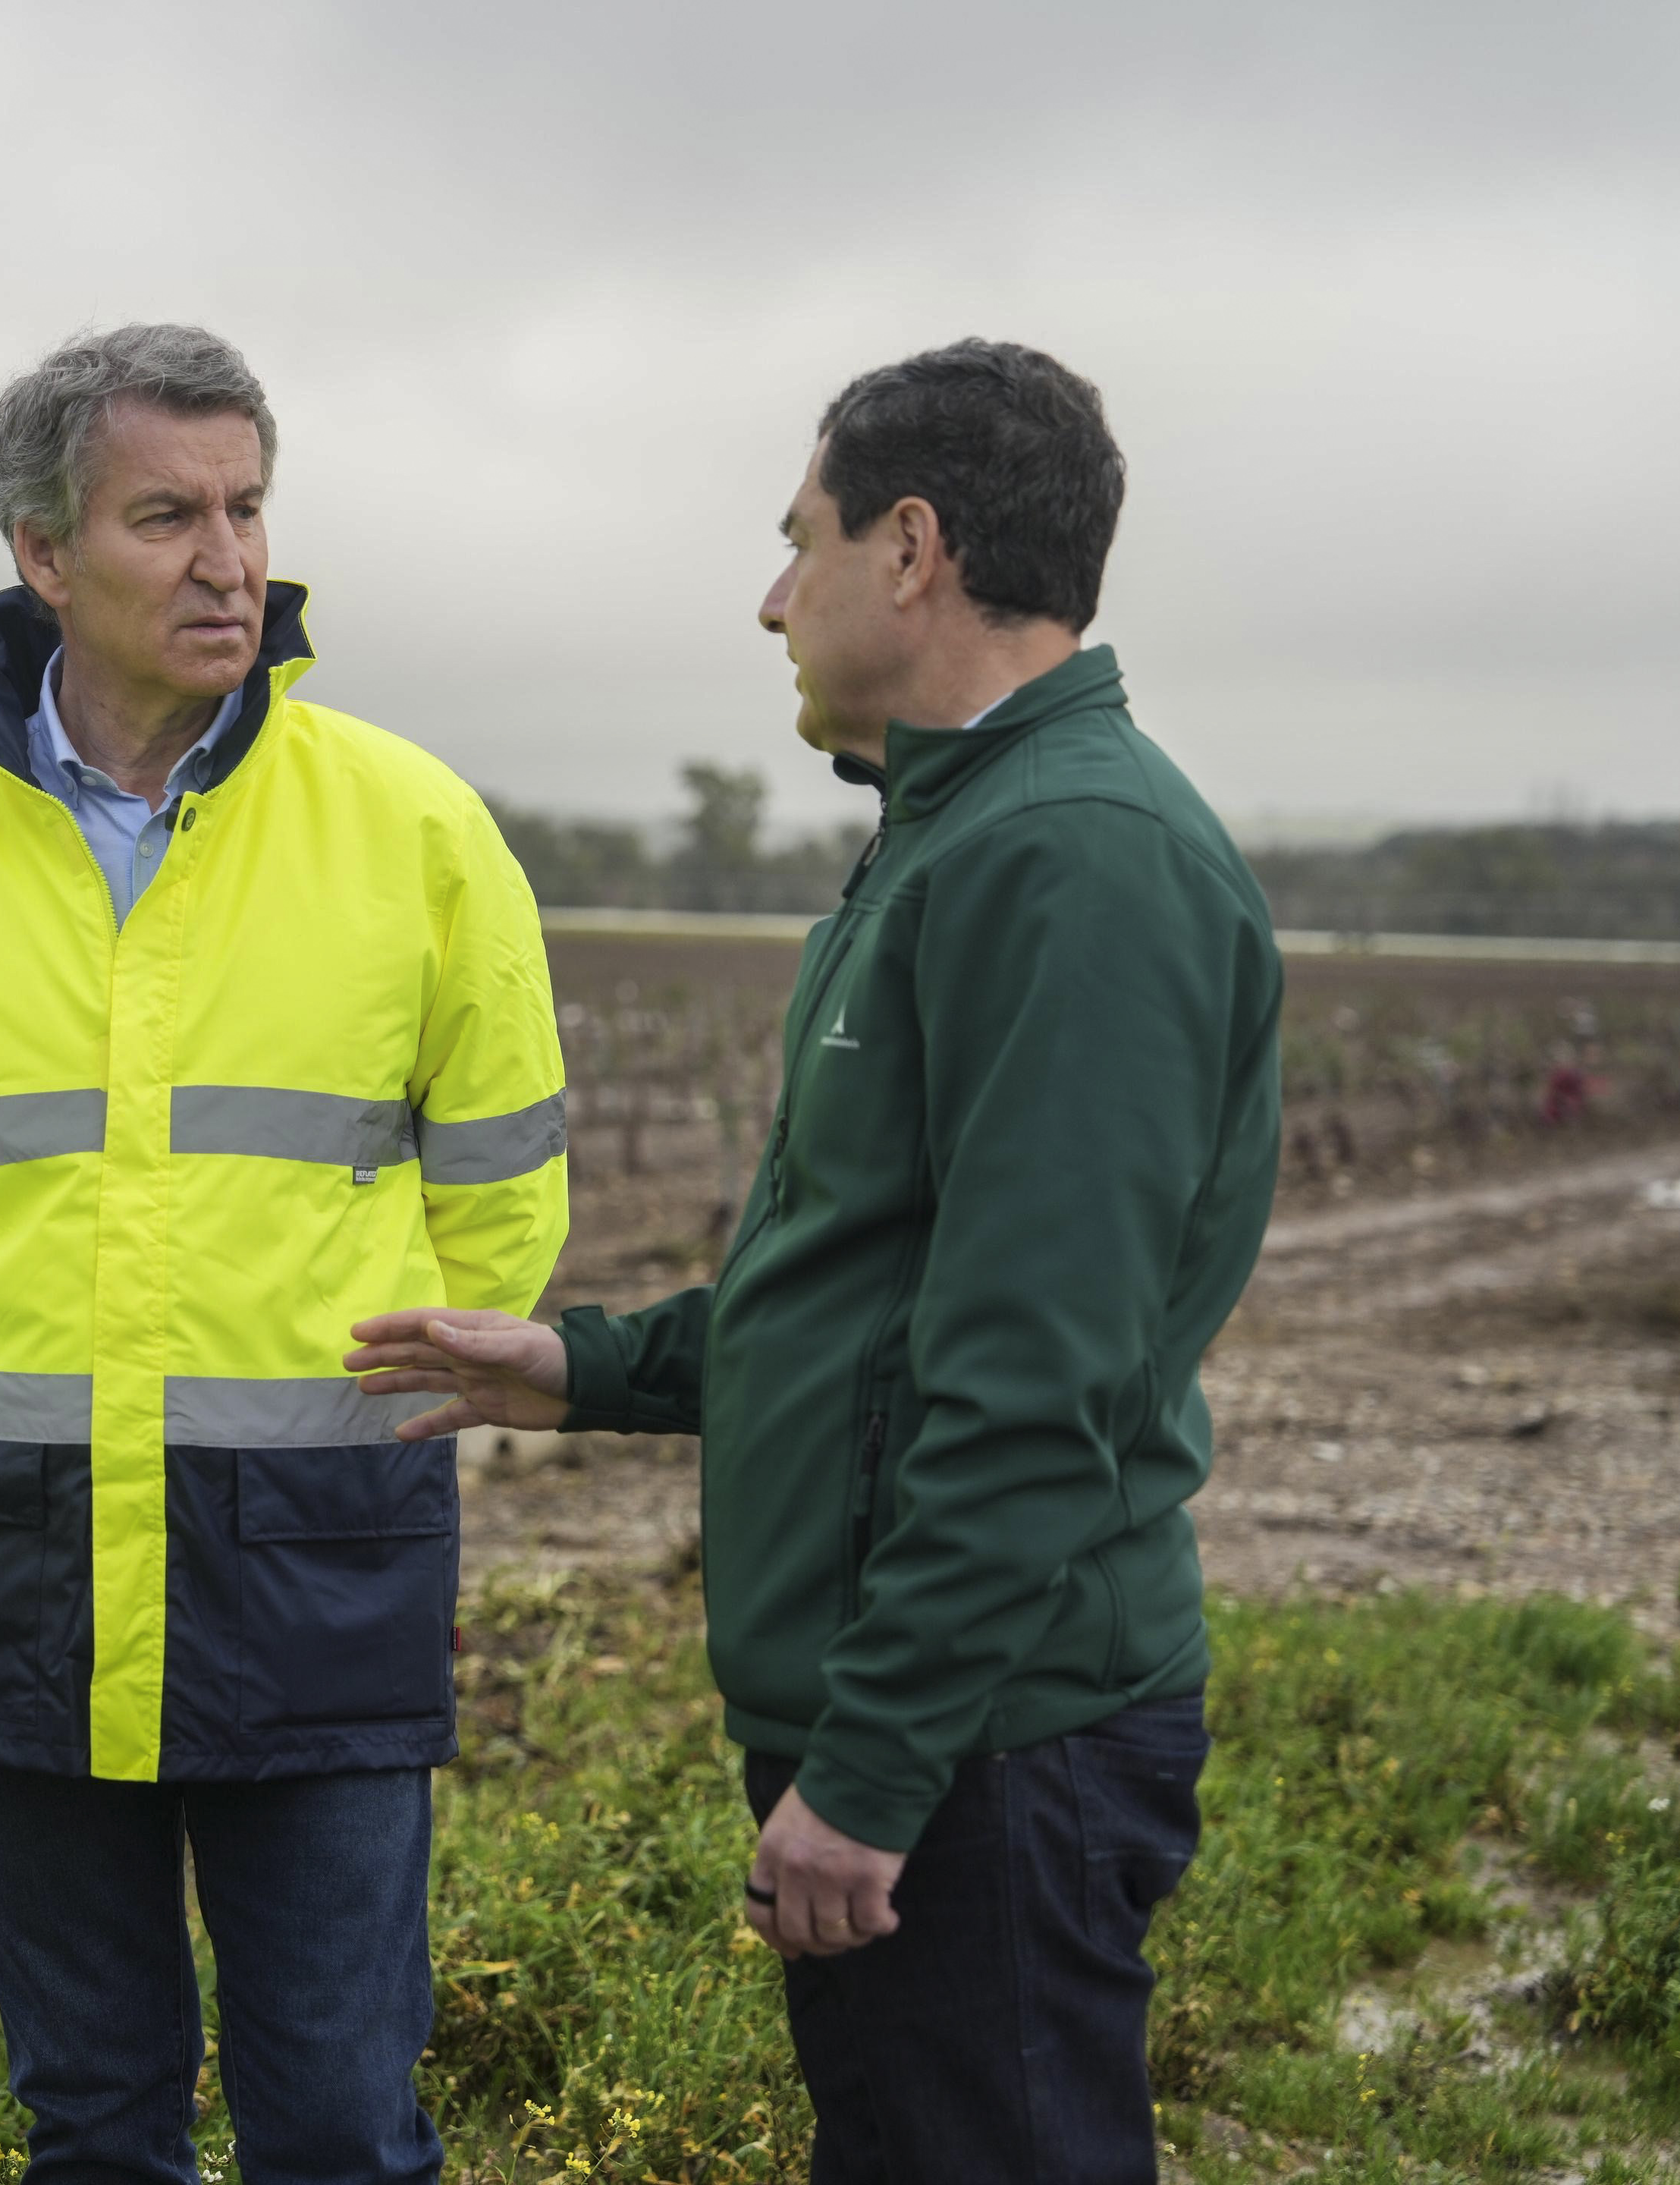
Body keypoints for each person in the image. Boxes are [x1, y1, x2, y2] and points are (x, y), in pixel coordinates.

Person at [349, 340, 1282, 2184]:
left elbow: (1035, 1381)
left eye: (803, 542)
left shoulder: (1072, 863)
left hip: (991, 1740)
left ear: (912, 549)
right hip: (933, 1722)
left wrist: (873, 1772)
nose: (774, 599)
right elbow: (867, 1297)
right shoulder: (953, 833)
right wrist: (584, 1368)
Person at [0, 324, 569, 2179]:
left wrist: (370, 1399)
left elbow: (503, 1194)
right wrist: (15, 1375)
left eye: (249, 508)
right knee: (93, 2125)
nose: (231, 563)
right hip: (15, 1555)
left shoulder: (416, 829)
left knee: (341, 2120)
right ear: (43, 553)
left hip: (321, 1558)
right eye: (168, 518)